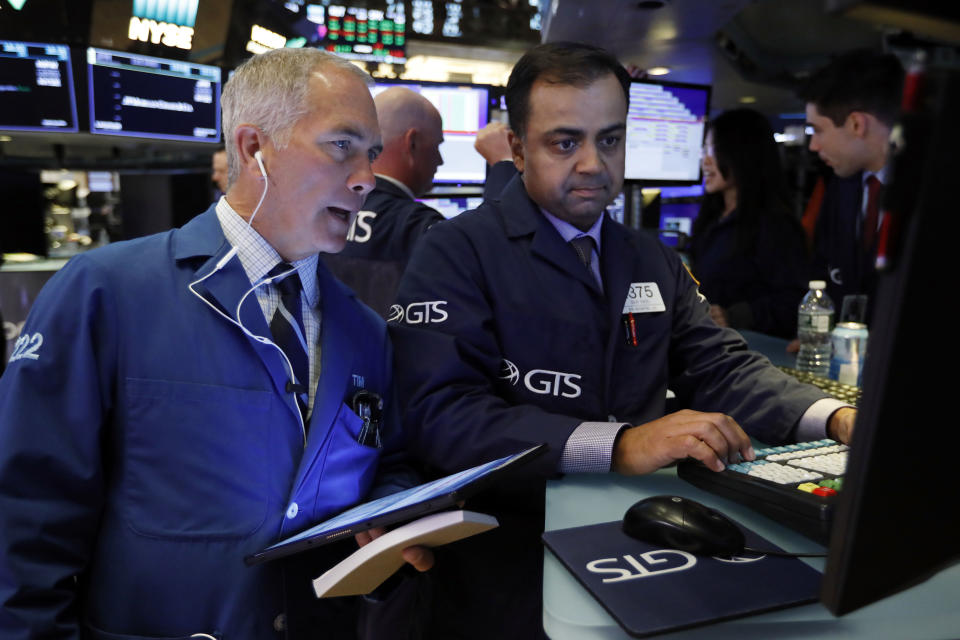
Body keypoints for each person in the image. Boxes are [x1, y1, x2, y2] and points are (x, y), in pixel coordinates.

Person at [389, 42, 856, 639]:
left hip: (640, 539)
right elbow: (442, 414)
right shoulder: (455, 252)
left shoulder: (649, 257)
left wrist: (835, 417)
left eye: (609, 140)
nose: (592, 163)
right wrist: (619, 445)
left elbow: (720, 367)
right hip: (508, 554)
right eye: (565, 142)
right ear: (516, 147)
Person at [0, 47, 432, 639]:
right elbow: (24, 517)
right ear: (255, 148)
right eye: (341, 146)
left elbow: (392, 460)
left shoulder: (364, 330)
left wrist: (390, 510)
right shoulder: (106, 292)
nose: (364, 179)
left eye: (373, 154)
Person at [321, 87, 445, 317]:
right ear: (412, 143)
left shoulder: (321, 216)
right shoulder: (422, 228)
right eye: (437, 146)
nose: (440, 160)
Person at [800, 49, 905, 318]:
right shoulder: (841, 188)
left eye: (818, 130)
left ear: (857, 124)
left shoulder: (930, 193)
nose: (813, 145)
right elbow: (823, 270)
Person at [688, 108, 809, 338]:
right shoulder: (713, 217)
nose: (705, 160)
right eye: (705, 149)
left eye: (713, 150)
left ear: (741, 154)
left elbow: (792, 302)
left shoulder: (774, 225)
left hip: (751, 354)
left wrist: (734, 316)